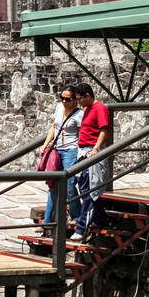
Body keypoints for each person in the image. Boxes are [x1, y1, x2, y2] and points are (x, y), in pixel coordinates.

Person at [38, 86, 83, 235]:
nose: (64, 101)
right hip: (56, 150)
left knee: (69, 184)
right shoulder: (59, 108)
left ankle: (77, 216)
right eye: (62, 98)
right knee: (53, 185)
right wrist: (45, 145)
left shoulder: (79, 115)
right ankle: (47, 220)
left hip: (70, 151)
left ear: (74, 100)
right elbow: (53, 127)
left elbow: (82, 133)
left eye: (67, 99)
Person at [71, 83, 111, 241]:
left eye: (80, 99)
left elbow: (103, 129)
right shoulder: (87, 109)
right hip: (82, 151)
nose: (78, 102)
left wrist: (96, 148)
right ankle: (102, 220)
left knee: (89, 188)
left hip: (91, 151)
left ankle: (81, 227)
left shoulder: (99, 108)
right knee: (83, 185)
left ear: (88, 95)